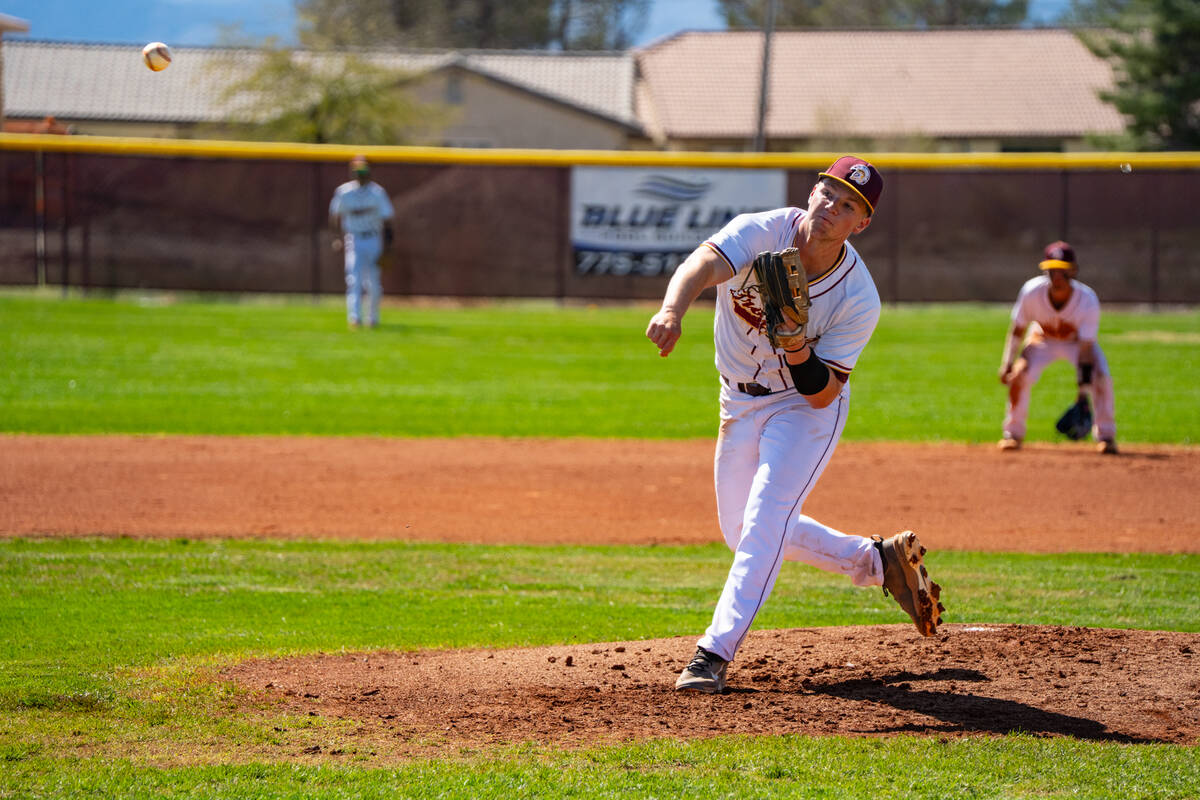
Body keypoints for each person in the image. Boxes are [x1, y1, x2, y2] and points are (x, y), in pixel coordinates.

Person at [645, 156, 943, 694]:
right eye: (829, 193)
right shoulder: (760, 232)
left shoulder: (858, 297)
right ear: (813, 192)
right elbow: (702, 264)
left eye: (849, 205)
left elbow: (824, 390)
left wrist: (796, 344)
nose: (833, 207)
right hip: (736, 400)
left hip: (803, 411)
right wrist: (672, 310)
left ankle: (713, 653)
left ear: (862, 223)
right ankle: (878, 562)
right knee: (740, 531)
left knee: (763, 524)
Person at [997, 241, 1118, 454]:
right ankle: (1013, 434)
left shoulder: (1087, 300)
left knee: (1101, 377)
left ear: (1074, 271)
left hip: (1076, 343)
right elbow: (1017, 330)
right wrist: (1007, 363)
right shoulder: (1031, 292)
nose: (1058, 276)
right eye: (1053, 270)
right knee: (1018, 375)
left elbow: (1086, 349)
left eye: (1063, 270)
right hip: (1041, 339)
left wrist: (1082, 393)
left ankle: (1106, 437)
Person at [329, 155, 395, 329]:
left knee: (373, 283)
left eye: (363, 170)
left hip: (373, 238)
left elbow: (387, 219)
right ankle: (354, 318)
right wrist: (336, 237)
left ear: (369, 172)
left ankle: (372, 318)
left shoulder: (377, 192)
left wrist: (388, 247)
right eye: (356, 170)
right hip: (354, 238)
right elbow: (335, 215)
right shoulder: (344, 192)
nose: (360, 174)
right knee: (354, 279)